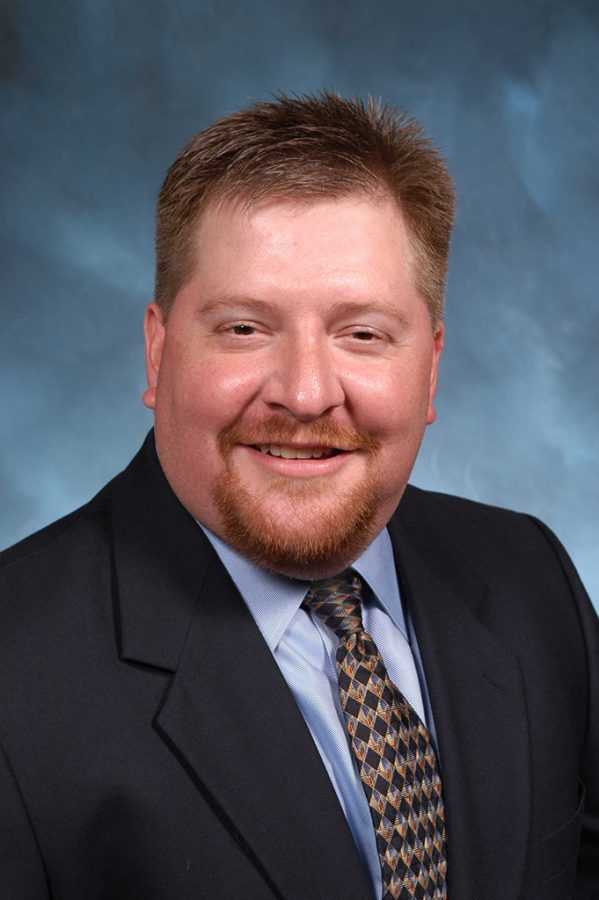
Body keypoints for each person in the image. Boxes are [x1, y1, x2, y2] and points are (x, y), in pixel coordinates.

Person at [0, 93, 597, 900]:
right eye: (246, 328)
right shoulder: (16, 670)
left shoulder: (531, 578)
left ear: (430, 365)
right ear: (157, 351)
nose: (307, 393)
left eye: (362, 334)